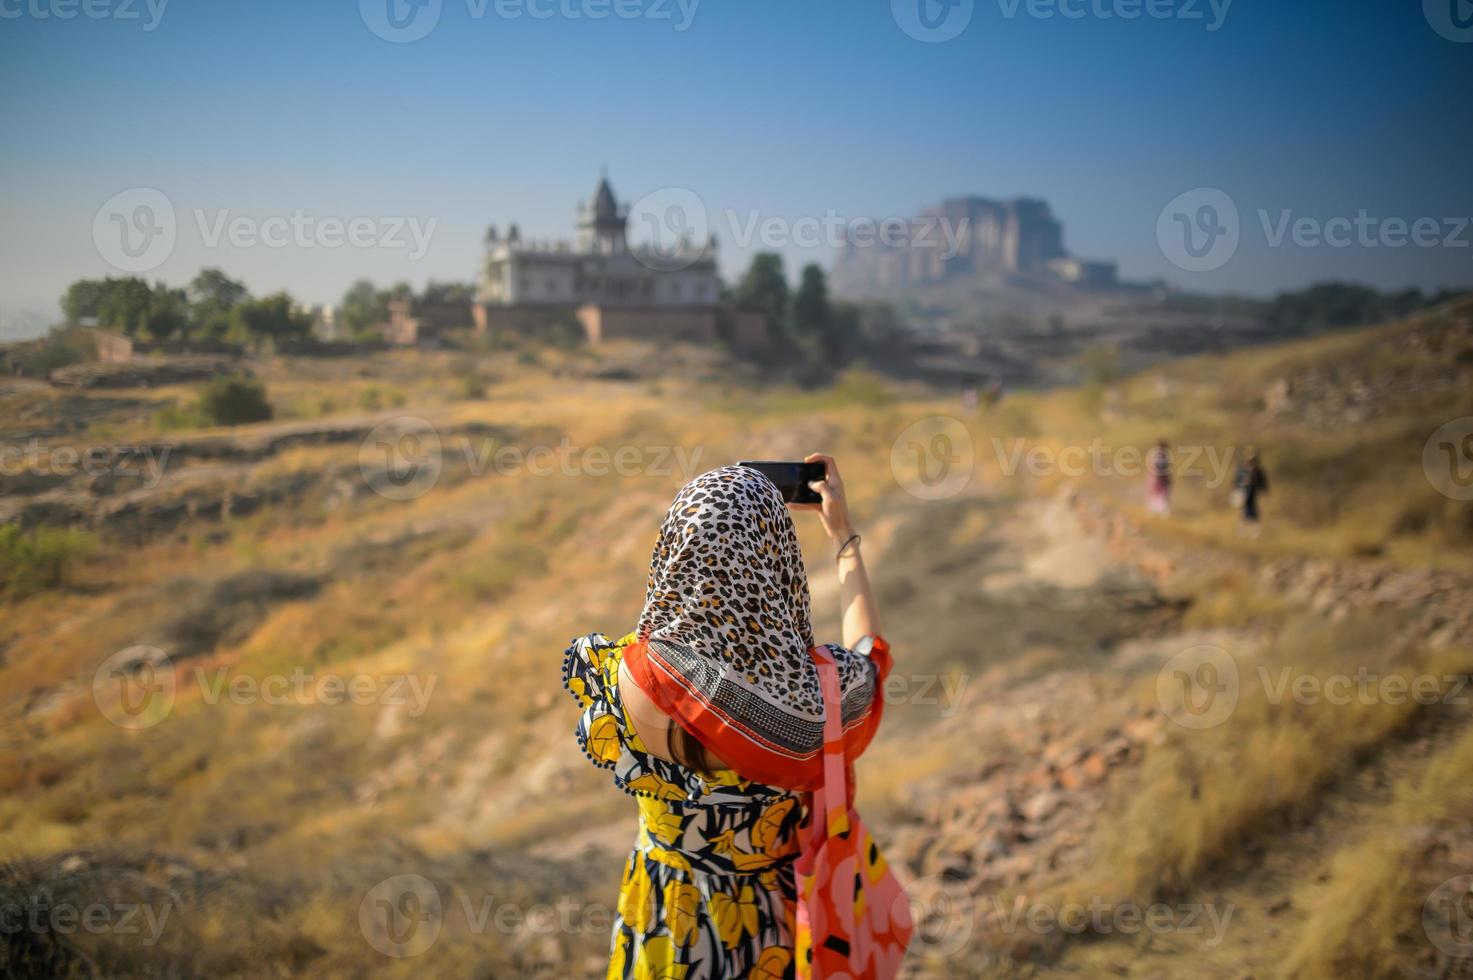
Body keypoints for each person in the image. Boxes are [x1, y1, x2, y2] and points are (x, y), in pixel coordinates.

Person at [561, 456, 896, 979]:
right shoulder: (816, 701)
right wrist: (843, 536)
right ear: (777, 561)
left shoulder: (623, 670)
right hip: (770, 924)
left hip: (664, 909)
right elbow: (870, 652)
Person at [1234, 450, 1269, 537]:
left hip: (1254, 494)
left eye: (1253, 460)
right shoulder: (1242, 470)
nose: (1251, 462)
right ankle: (1241, 531)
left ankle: (1255, 533)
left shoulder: (1258, 471)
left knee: (1254, 513)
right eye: (1249, 460)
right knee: (1242, 512)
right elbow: (1236, 482)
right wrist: (1241, 486)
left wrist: (1262, 491)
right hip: (1244, 493)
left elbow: (1263, 483)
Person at [1146, 439, 1172, 517]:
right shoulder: (1161, 455)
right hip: (1158, 479)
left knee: (1157, 497)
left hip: (1155, 479)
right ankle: (1158, 514)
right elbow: (1162, 468)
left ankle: (1155, 514)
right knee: (1159, 497)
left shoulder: (1156, 454)